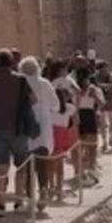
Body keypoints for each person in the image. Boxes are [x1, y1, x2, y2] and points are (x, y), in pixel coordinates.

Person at [0, 49, 32, 214]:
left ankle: (1, 203)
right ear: (11, 62)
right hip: (18, 128)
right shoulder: (20, 80)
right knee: (21, 166)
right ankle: (18, 201)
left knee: (1, 167)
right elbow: (32, 100)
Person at [19, 55, 59, 209]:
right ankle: (43, 188)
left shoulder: (20, 84)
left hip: (25, 126)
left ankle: (30, 197)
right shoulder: (45, 83)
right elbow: (55, 105)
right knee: (42, 161)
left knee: (29, 165)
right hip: (43, 125)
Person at [70, 72, 106, 185]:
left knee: (92, 144)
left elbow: (101, 103)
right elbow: (74, 104)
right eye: (86, 80)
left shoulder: (93, 90)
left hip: (90, 114)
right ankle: (80, 171)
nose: (87, 82)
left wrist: (94, 97)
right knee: (80, 145)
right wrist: (79, 95)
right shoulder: (75, 89)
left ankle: (91, 167)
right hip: (79, 114)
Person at [46, 60, 74, 195]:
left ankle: (51, 185)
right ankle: (59, 188)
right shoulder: (69, 108)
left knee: (51, 162)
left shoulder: (50, 109)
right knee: (60, 165)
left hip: (52, 133)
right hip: (63, 134)